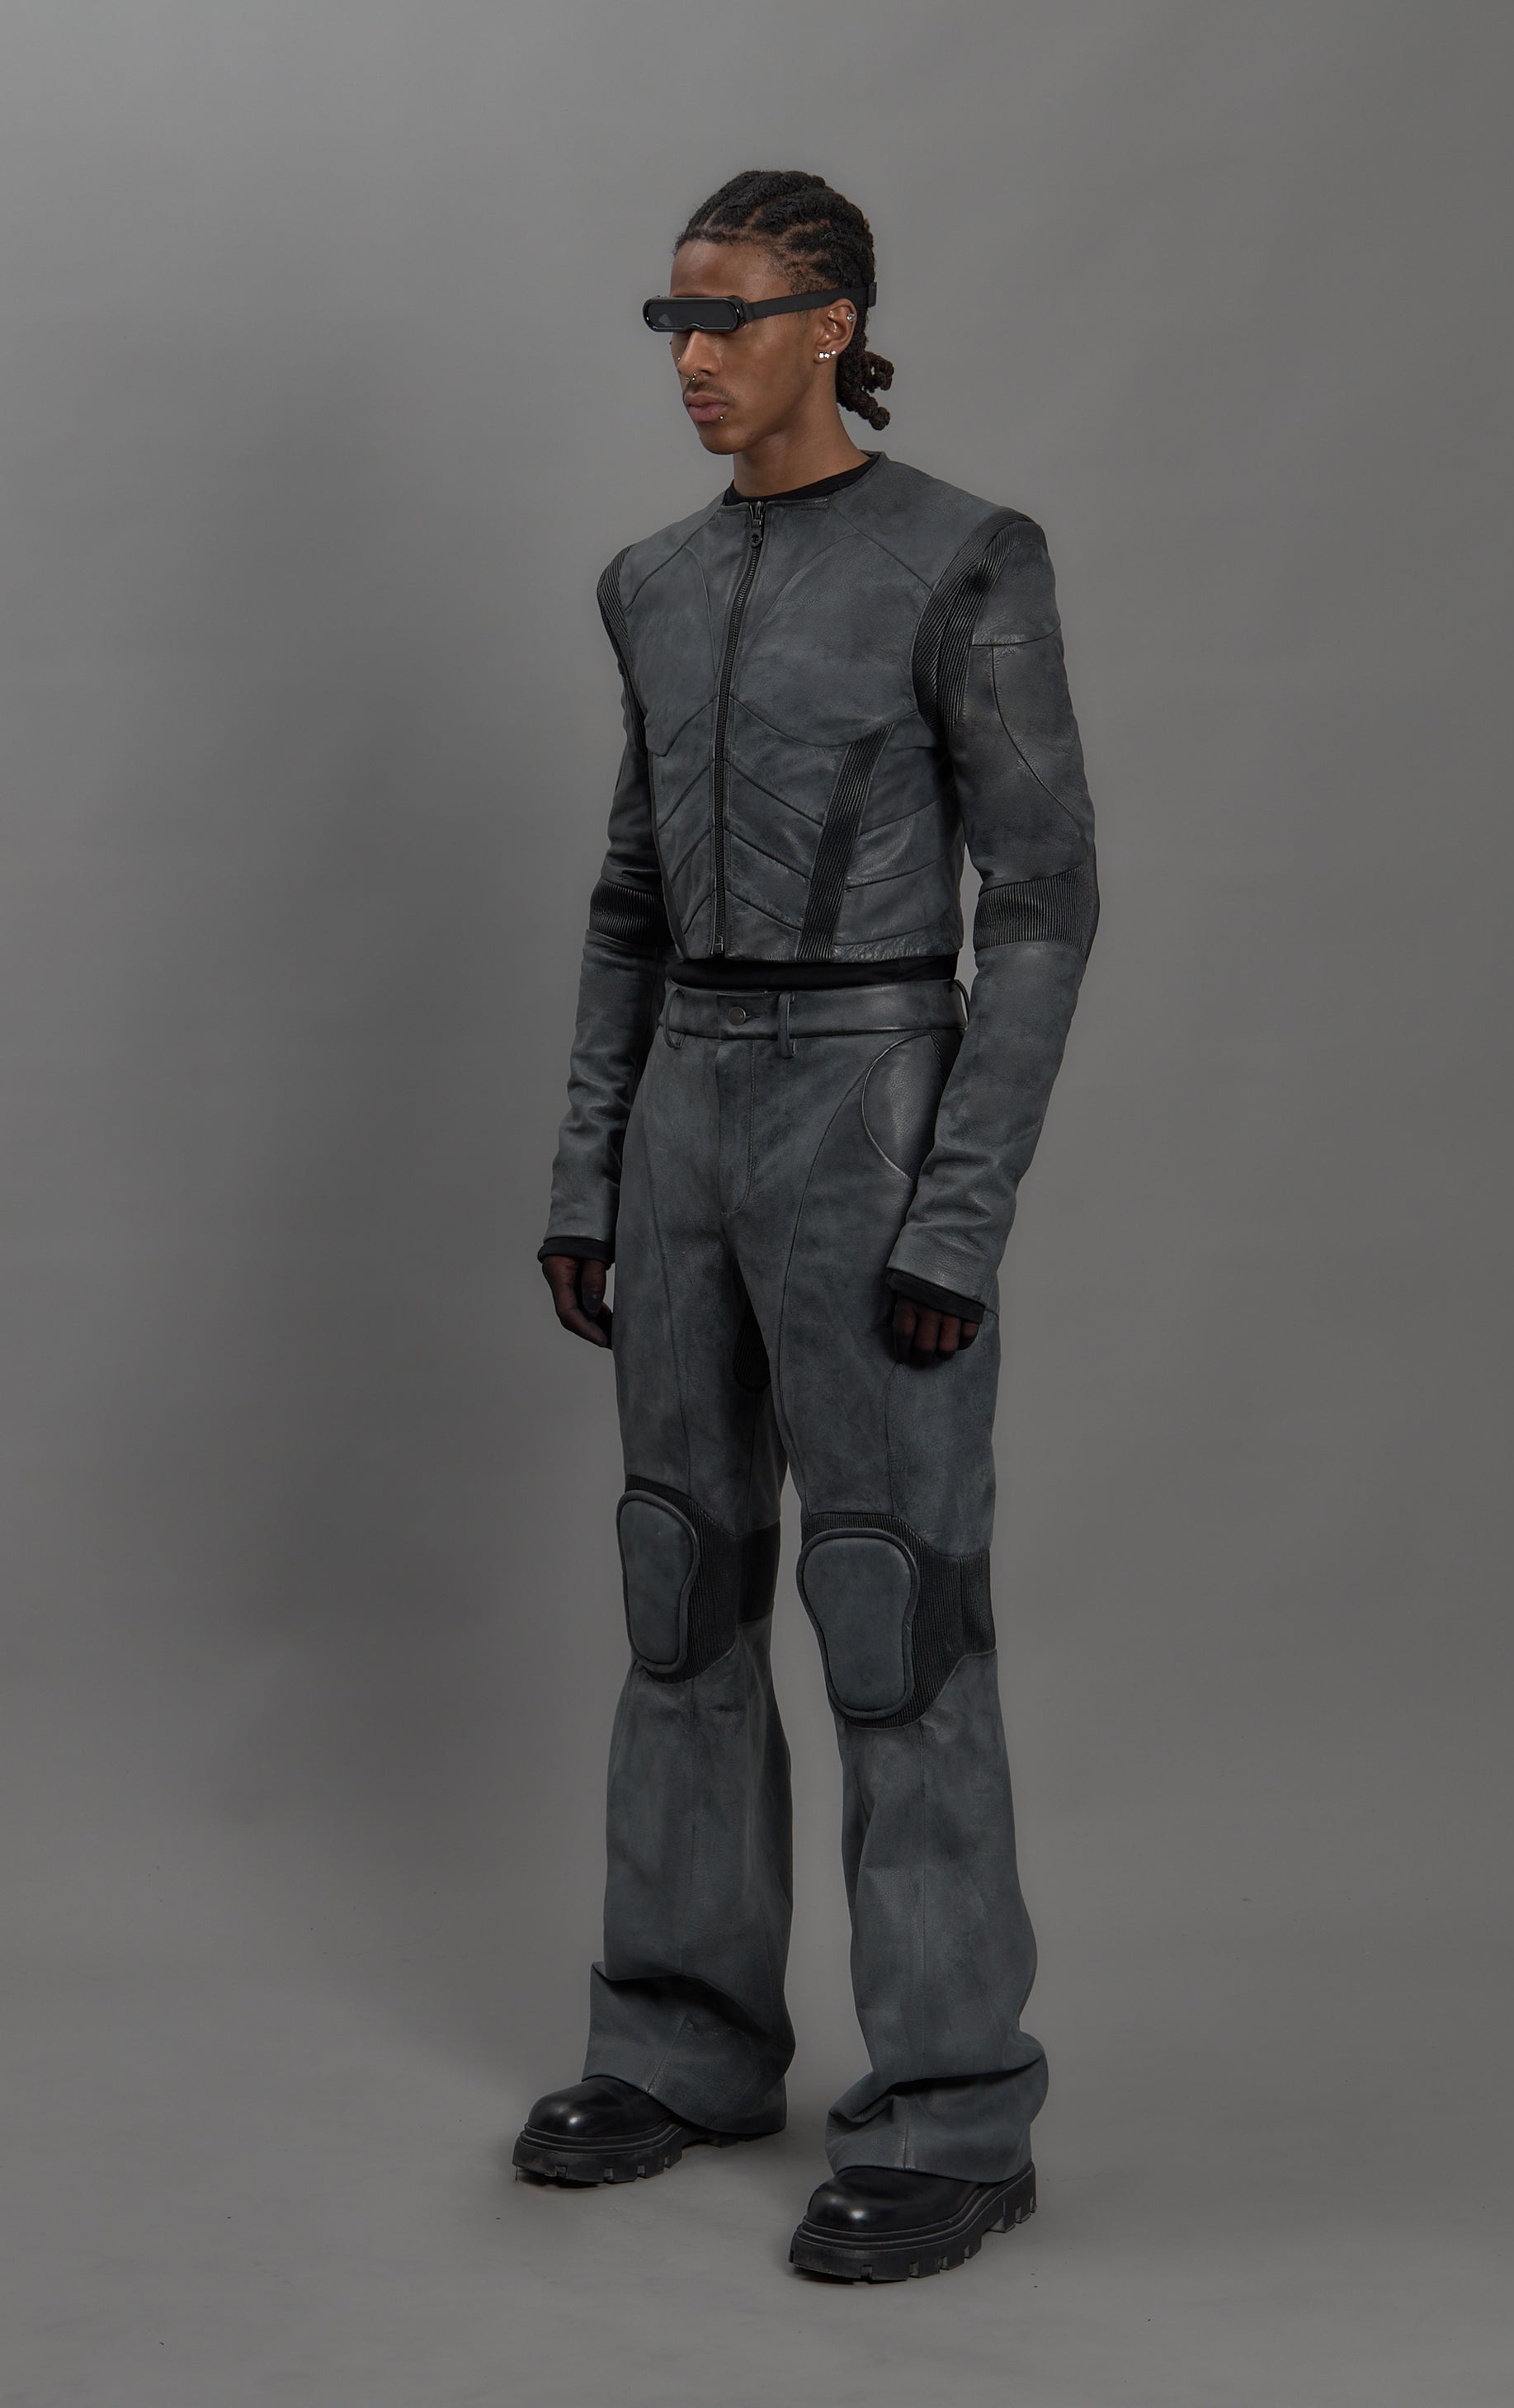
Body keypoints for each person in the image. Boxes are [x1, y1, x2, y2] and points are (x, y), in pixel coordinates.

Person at [513, 168, 1099, 2284]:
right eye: (671, 322)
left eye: (732, 319)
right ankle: (679, 2041)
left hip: (867, 1099)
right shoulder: (651, 583)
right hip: (687, 1099)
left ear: (834, 325)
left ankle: (953, 2106)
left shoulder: (964, 555)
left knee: (892, 1599)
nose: (694, 358)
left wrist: (958, 1207)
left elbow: (1042, 899)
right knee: (677, 1579)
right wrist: (590, 1167)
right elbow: (628, 899)